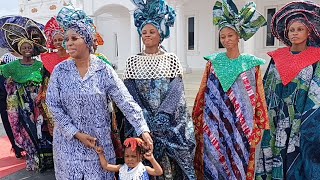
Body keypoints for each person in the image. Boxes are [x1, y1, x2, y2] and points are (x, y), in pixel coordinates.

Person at [46, 7, 153, 179]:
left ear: (88, 40)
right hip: (67, 145)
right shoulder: (60, 71)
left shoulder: (103, 70)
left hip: (98, 146)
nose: (68, 43)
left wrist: (143, 129)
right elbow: (52, 104)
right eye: (66, 39)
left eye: (74, 38)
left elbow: (125, 100)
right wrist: (75, 132)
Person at [192, 0, 269, 179]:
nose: (226, 40)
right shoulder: (214, 62)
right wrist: (201, 116)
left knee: (238, 158)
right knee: (215, 157)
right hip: (215, 120)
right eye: (223, 37)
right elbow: (205, 91)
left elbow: (258, 94)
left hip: (241, 123)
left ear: (238, 36)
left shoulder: (251, 64)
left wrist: (259, 120)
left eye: (230, 35)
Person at [121, 0, 196, 179]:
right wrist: (143, 115)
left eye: (152, 32)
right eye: (144, 32)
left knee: (172, 162)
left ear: (160, 34)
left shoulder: (172, 60)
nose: (147, 35)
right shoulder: (132, 61)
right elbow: (130, 90)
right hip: (141, 122)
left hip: (169, 123)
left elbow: (176, 90)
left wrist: (163, 115)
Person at [255, 1, 320, 179]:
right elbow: (266, 87)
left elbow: (317, 90)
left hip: (301, 118)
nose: (295, 33)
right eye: (292, 30)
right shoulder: (277, 57)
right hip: (275, 117)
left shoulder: (316, 58)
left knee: (297, 155)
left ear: (309, 32)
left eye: (300, 29)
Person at [0, 19, 51, 171]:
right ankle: (32, 159)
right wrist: (11, 84)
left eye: (29, 47)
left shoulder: (40, 66)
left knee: (41, 130)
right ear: (20, 50)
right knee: (26, 131)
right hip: (21, 105)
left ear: (33, 49)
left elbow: (45, 82)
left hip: (38, 104)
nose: (27, 49)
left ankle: (44, 160)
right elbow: (4, 76)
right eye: (24, 47)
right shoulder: (12, 66)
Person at [37, 16, 70, 136]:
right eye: (55, 40)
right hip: (52, 97)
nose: (57, 43)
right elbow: (45, 81)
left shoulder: (72, 57)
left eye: (60, 40)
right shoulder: (48, 58)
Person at [96, 137, 163, 179]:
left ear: (140, 157)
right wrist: (101, 154)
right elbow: (106, 166)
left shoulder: (143, 169)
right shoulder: (121, 168)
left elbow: (159, 172)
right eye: (127, 156)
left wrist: (152, 159)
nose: (129, 159)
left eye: (133, 156)